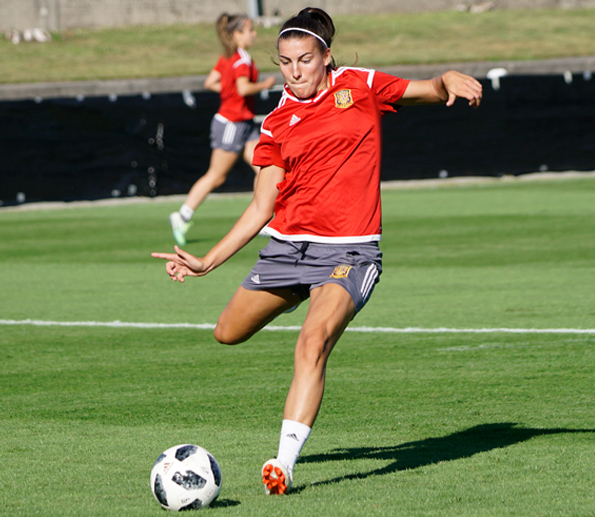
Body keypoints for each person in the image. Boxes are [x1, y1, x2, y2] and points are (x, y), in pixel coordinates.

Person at [153, 7, 482, 495]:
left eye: (305, 59)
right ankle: (305, 291)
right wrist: (206, 261)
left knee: (311, 343)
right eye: (285, 61)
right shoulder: (276, 121)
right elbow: (263, 204)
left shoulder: (359, 84)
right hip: (288, 250)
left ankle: (282, 464)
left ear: (326, 57)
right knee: (227, 333)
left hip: (350, 251)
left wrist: (445, 80)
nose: (295, 70)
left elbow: (426, 90)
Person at [169, 13, 276, 246]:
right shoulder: (240, 60)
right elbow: (243, 88)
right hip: (232, 124)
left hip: (245, 122)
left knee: (264, 169)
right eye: (250, 30)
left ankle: (263, 218)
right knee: (216, 176)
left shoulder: (230, 58)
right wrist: (264, 85)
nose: (254, 34)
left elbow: (211, 82)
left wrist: (228, 91)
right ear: (237, 34)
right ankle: (182, 215)